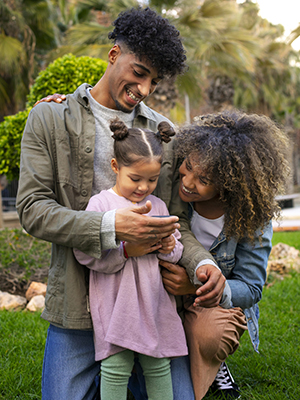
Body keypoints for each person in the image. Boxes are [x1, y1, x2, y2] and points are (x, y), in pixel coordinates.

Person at [16, 6, 226, 400]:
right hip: (77, 305)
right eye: (140, 72)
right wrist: (111, 228)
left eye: (154, 81)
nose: (144, 89)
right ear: (114, 56)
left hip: (146, 303)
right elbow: (31, 208)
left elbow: (176, 220)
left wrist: (202, 263)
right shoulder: (49, 118)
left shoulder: (163, 133)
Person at [173, 110, 289, 399]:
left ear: (229, 183)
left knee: (211, 336)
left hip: (209, 300)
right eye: (187, 166)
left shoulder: (252, 217)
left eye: (204, 180)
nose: (188, 182)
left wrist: (198, 286)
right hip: (164, 291)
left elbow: (251, 286)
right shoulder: (171, 188)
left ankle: (213, 361)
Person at [73, 119, 188, 400]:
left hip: (152, 300)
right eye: (135, 178)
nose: (143, 187)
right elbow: (85, 252)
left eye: (152, 179)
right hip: (116, 300)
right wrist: (125, 250)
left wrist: (169, 246)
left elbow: (175, 253)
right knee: (115, 364)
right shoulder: (101, 205)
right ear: (115, 167)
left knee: (158, 362)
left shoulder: (158, 206)